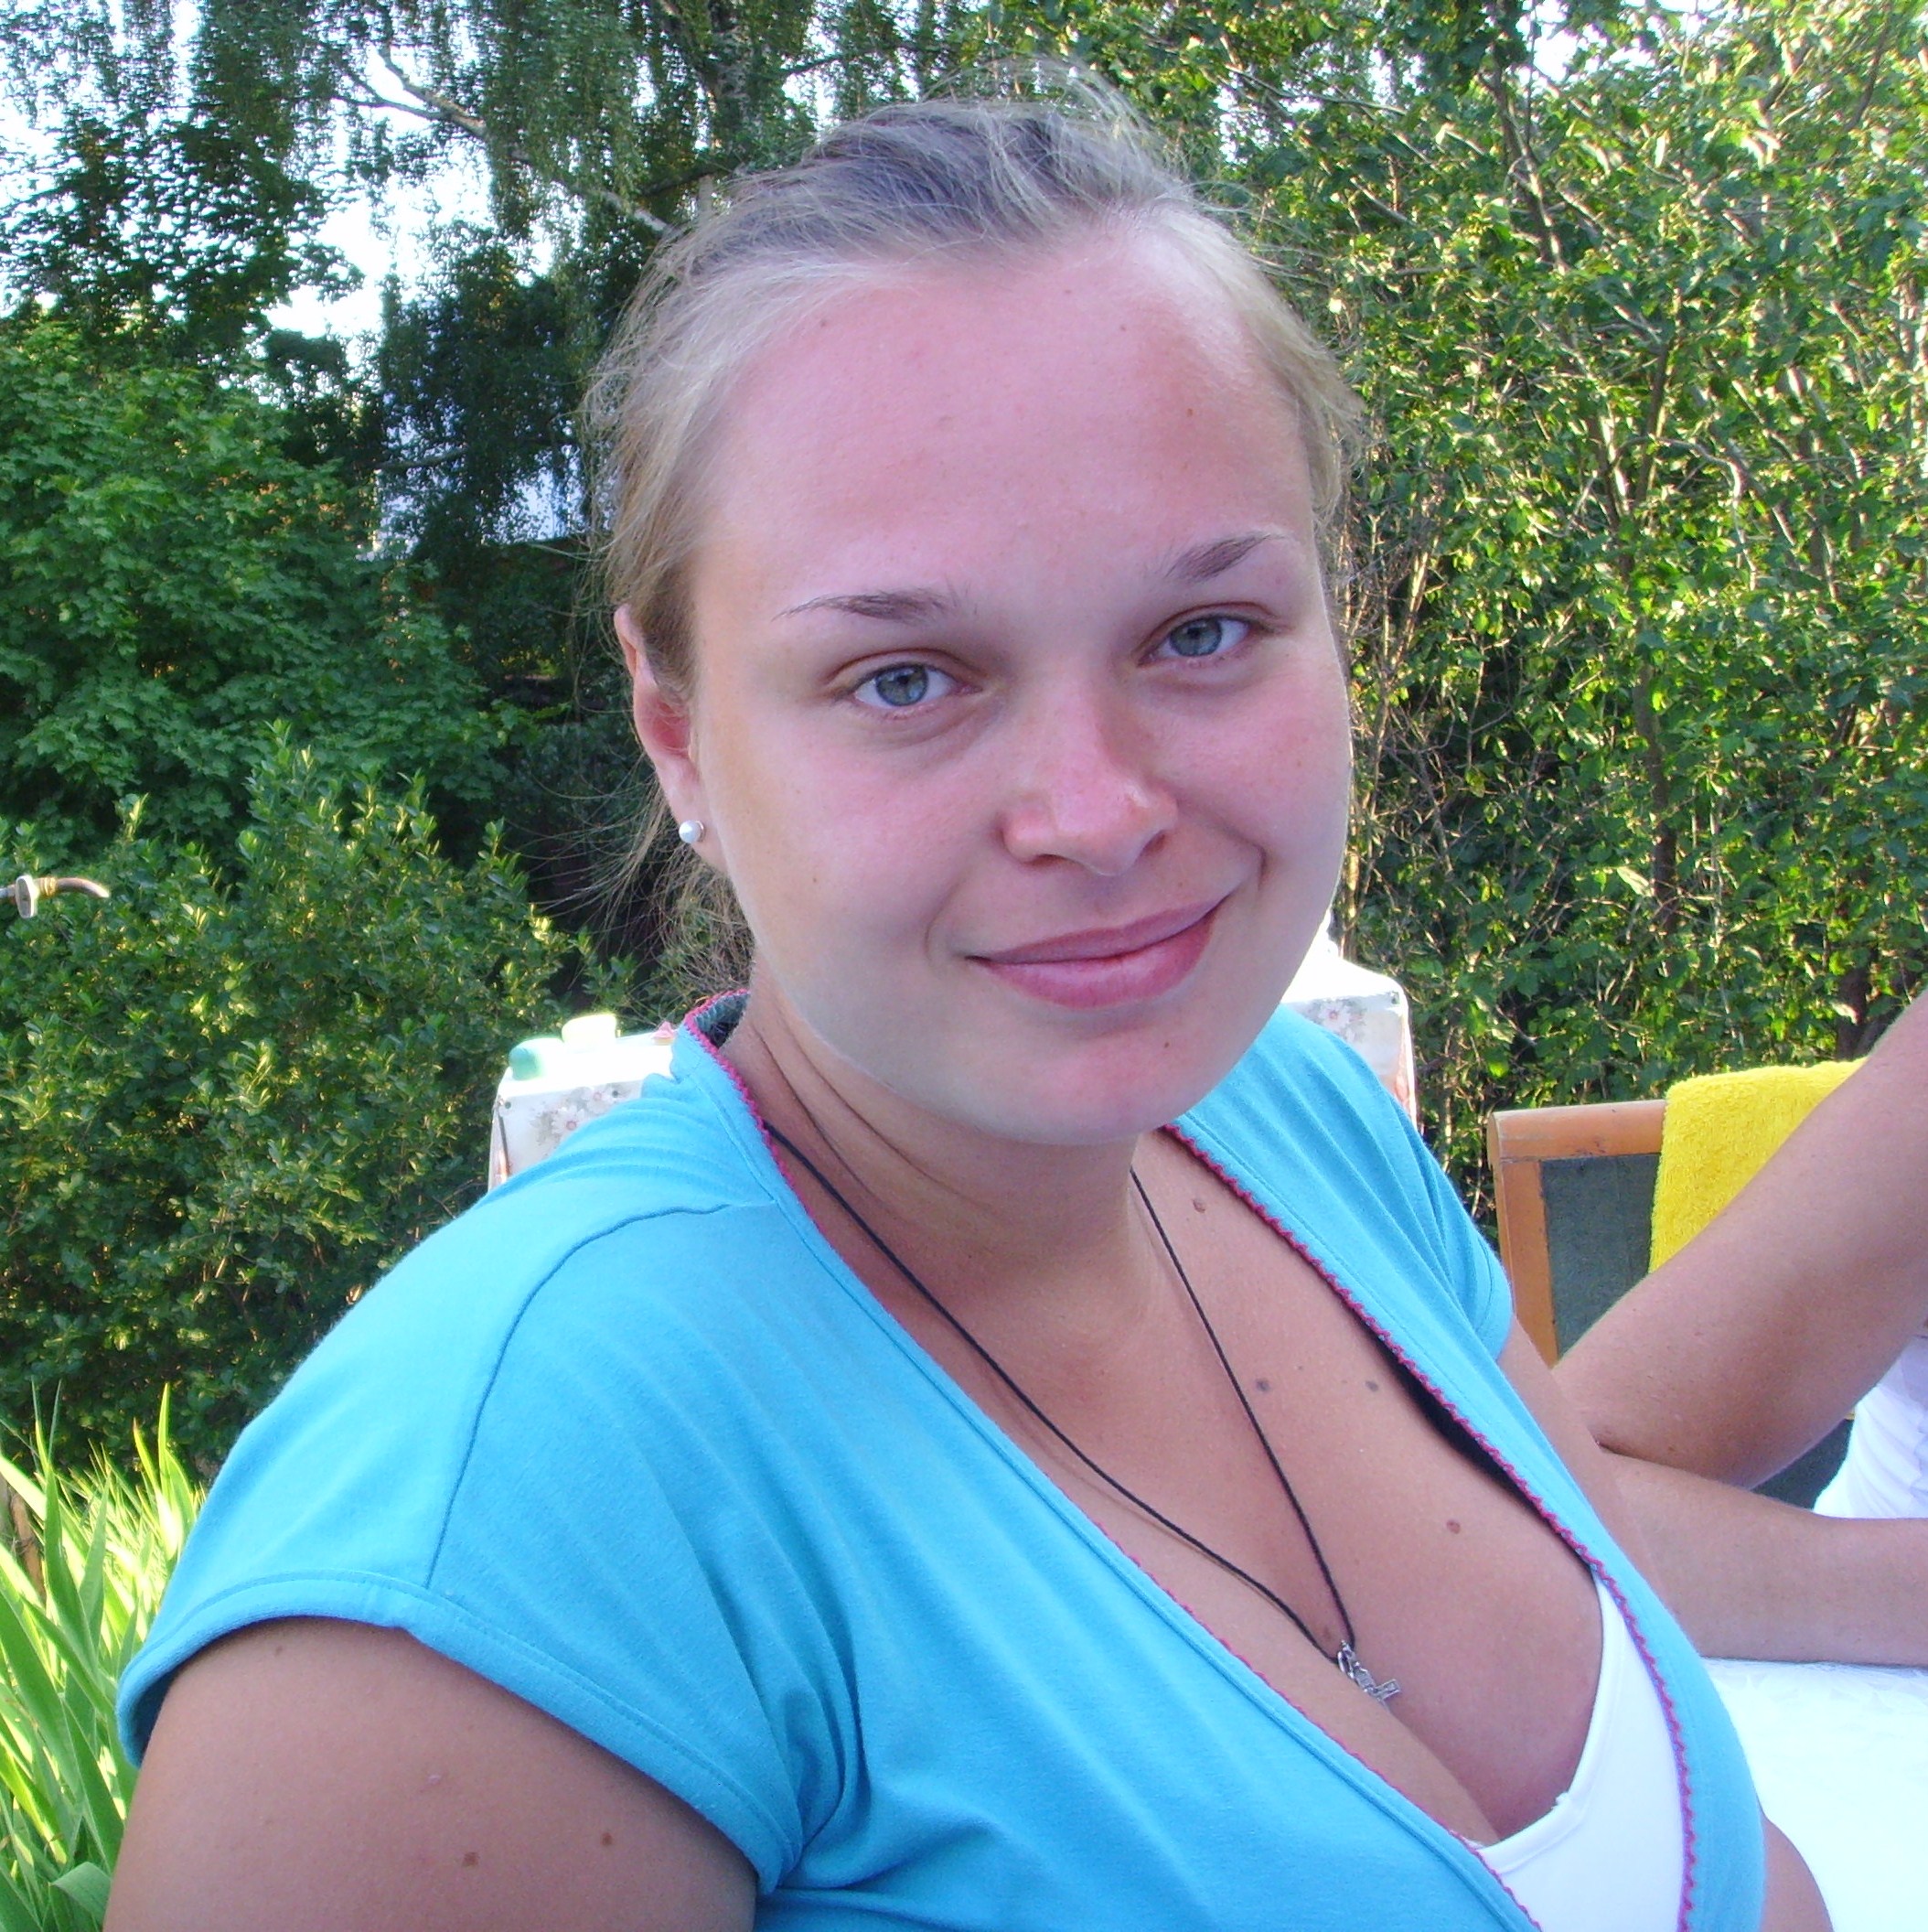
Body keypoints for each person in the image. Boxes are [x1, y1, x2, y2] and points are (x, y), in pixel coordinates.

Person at [103, 91, 1826, 1931]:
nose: (1096, 813)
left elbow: (1653, 1703)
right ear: (678, 731)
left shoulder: (1291, 1123)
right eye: (906, 677)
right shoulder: (504, 1535)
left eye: (1200, 633)